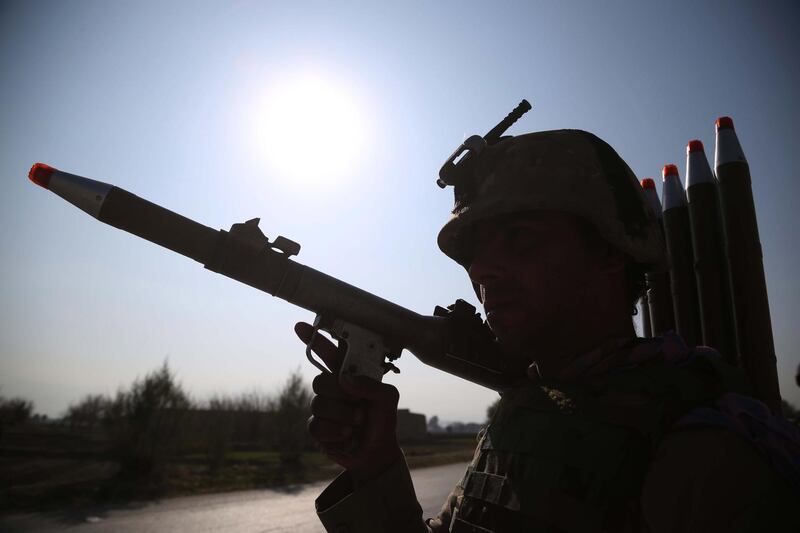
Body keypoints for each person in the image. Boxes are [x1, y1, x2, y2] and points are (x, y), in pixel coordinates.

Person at [295, 129, 800, 532]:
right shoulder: (528, 415)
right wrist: (376, 465)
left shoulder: (707, 459)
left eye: (519, 239)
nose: (483, 271)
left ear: (607, 250)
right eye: (473, 253)